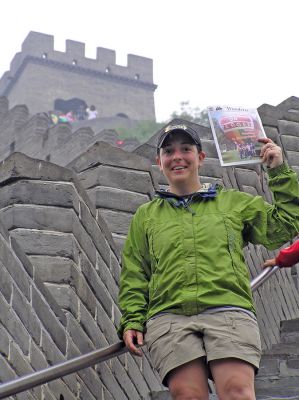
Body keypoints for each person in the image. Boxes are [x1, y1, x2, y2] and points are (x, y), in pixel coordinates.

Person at [118, 123, 299, 400]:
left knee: (238, 392)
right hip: (170, 317)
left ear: (200, 158)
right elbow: (135, 272)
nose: (177, 156)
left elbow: (286, 225)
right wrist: (132, 319)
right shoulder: (146, 215)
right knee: (188, 396)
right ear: (159, 161)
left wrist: (278, 172)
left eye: (186, 149)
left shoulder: (232, 203)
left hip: (228, 310)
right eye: (169, 151)